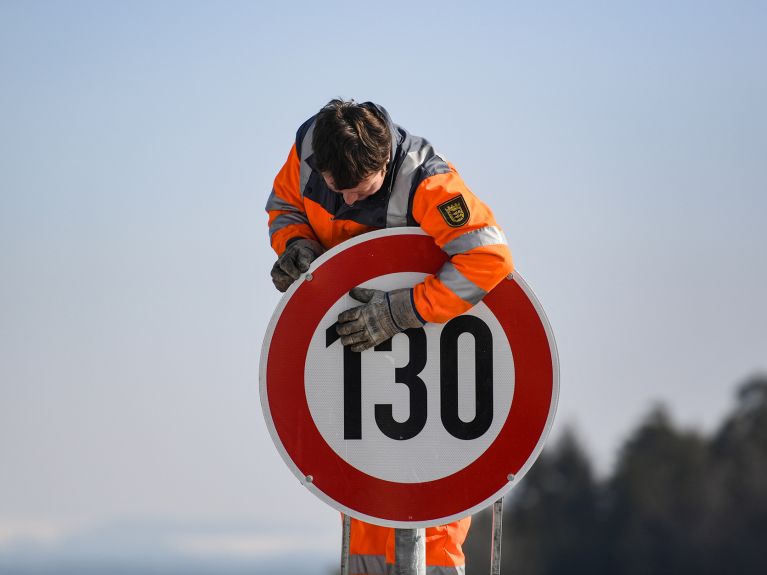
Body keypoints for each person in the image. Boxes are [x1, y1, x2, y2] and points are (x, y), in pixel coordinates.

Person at [266, 99, 513, 575]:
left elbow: (489, 259)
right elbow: (283, 207)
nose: (350, 201)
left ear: (383, 163)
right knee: (364, 506)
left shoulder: (429, 182)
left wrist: (405, 311)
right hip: (357, 372)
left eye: (361, 189)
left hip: (434, 378)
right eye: (339, 188)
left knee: (432, 516)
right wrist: (297, 245)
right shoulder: (307, 149)